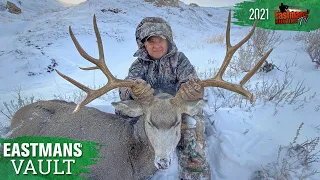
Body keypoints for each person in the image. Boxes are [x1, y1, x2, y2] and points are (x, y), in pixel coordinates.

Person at [117, 17, 211, 179]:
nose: (156, 45)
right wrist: (133, 91)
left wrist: (192, 91)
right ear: (143, 44)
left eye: (161, 40)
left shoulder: (179, 60)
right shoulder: (138, 65)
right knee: (124, 119)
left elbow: (192, 85)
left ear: (168, 41)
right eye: (151, 41)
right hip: (151, 112)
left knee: (192, 125)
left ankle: (194, 170)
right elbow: (125, 89)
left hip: (175, 109)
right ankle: (129, 162)